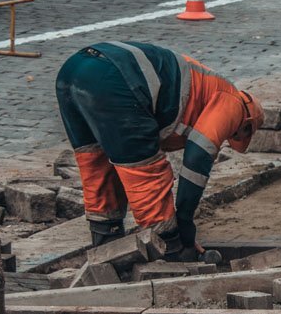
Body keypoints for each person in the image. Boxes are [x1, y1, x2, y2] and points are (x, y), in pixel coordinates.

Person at [55, 42, 264, 257]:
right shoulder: (234, 103)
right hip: (114, 77)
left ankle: (107, 242)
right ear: (245, 126)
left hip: (74, 70)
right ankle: (170, 249)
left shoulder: (207, 87)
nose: (228, 138)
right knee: (146, 171)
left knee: (96, 164)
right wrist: (184, 228)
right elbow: (197, 161)